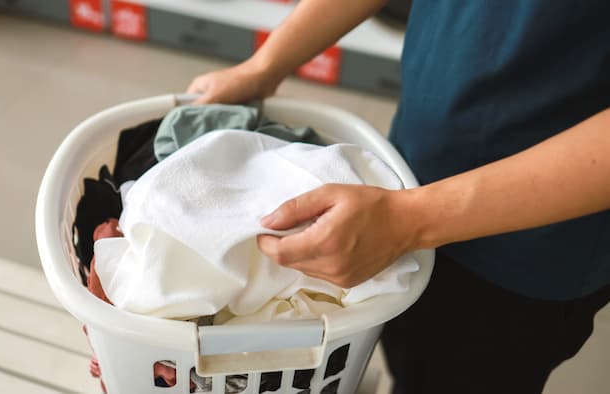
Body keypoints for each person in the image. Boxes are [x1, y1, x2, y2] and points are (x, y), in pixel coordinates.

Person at [186, 1, 610, 393]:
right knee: (407, 352)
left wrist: (409, 219)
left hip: (527, 242)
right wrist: (266, 64)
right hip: (413, 168)